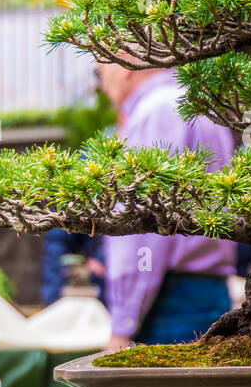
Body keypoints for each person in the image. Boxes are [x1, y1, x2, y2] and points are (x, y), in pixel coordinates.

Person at [98, 62, 236, 351]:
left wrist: (123, 321)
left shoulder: (155, 111)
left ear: (122, 64)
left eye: (99, 71)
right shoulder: (196, 104)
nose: (101, 85)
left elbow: (141, 228)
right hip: (208, 289)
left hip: (168, 298)